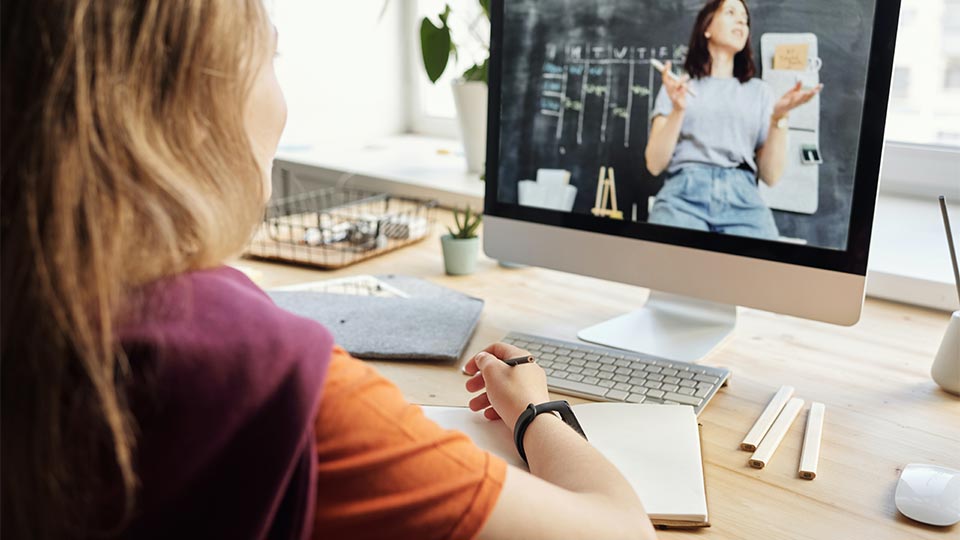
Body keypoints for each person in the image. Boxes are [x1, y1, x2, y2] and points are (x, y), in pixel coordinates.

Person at [0, 2, 658, 539]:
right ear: (194, 104)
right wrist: (535, 412)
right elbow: (620, 531)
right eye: (271, 57)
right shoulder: (268, 377)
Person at [644, 0, 821, 240]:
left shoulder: (759, 92)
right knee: (665, 268)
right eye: (731, 12)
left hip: (743, 197)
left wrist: (780, 117)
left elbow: (770, 176)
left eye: (745, 19)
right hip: (683, 193)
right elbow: (654, 163)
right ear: (706, 27)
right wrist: (678, 109)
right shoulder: (679, 86)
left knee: (765, 271)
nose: (741, 21)